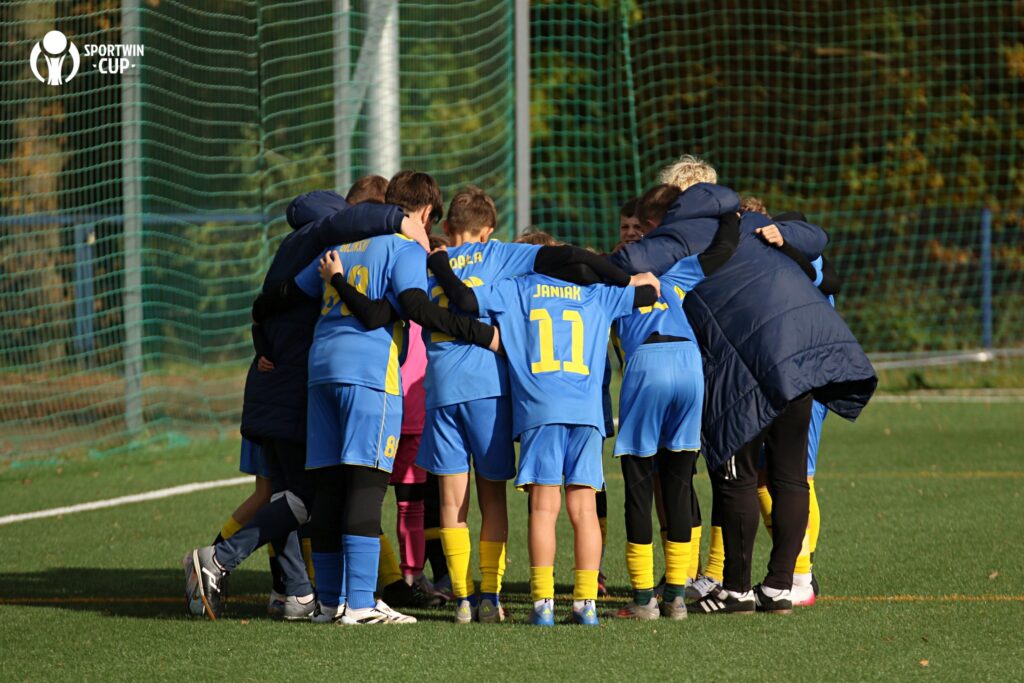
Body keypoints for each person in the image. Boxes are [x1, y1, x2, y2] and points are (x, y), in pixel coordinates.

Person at [418, 188, 658, 623]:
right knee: (583, 509)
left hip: (530, 408)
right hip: (585, 412)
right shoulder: (595, 293)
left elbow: (467, 302)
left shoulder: (515, 290)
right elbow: (646, 295)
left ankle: (528, 604)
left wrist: (440, 265)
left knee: (536, 509)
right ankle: (585, 604)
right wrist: (636, 278)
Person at [183, 187, 418, 621]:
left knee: (285, 492)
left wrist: (262, 341)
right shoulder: (322, 244)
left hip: (271, 387)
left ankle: (293, 591)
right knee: (309, 496)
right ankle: (218, 558)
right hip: (293, 390)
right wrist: (401, 221)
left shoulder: (291, 251)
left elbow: (264, 308)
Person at [293, 170, 501, 625]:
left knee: (329, 489)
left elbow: (295, 291)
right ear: (425, 213)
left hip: (320, 372)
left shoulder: (343, 245)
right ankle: (361, 604)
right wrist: (481, 334)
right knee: (366, 487)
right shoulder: (403, 247)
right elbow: (417, 309)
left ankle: (328, 603)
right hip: (368, 376)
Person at [611, 199, 740, 621]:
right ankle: (676, 596)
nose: (631, 234)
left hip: (648, 365)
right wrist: (729, 212)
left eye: (637, 228)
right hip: (689, 366)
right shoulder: (675, 272)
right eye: (626, 228)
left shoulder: (610, 278)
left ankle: (644, 599)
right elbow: (722, 250)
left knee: (639, 487)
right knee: (679, 484)